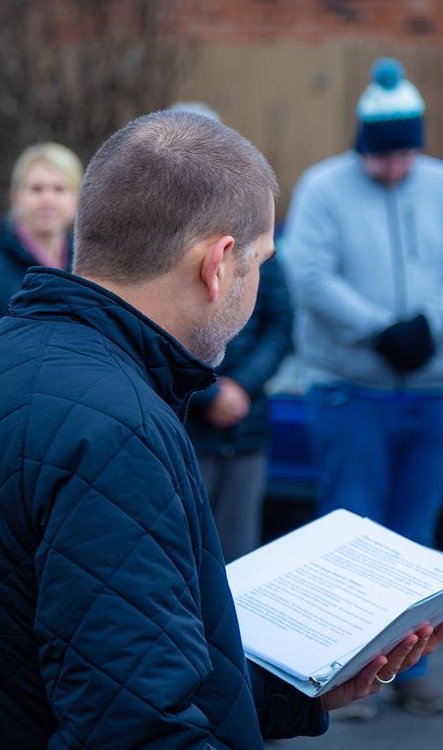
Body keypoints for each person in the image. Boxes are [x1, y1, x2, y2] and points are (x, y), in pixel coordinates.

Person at [0, 110, 443, 749]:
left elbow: (104, 670)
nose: (259, 283)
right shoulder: (112, 429)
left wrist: (297, 690)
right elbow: (142, 730)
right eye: (261, 262)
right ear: (219, 263)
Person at [280, 57, 443, 718]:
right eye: (383, 157)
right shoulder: (322, 188)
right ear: (361, 145)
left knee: (417, 538)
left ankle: (411, 668)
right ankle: (349, 674)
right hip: (352, 388)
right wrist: (378, 329)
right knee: (350, 532)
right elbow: (307, 271)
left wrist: (430, 323)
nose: (397, 167)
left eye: (406, 154)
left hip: (431, 389)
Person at [170, 101, 295, 562]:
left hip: (245, 428)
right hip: (185, 428)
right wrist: (208, 393)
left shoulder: (254, 232)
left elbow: (281, 321)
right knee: (184, 562)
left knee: (241, 563)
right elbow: (156, 330)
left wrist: (242, 386)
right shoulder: (159, 242)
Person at [0, 142, 82, 359]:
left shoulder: (89, 270)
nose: (48, 199)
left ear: (77, 199)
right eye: (36, 189)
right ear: (15, 197)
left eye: (59, 189)